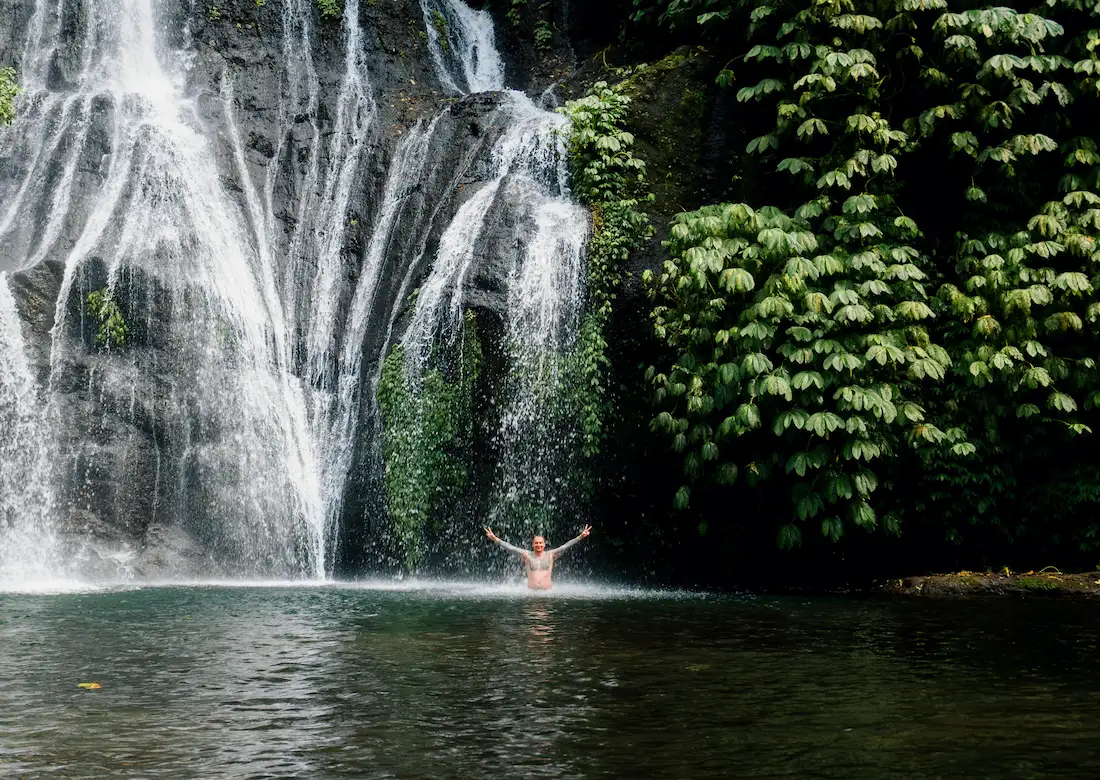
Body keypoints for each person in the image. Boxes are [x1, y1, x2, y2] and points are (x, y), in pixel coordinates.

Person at [484, 525, 592, 590]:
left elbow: (566, 546)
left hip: (547, 594)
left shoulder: (551, 555)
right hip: (531, 593)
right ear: (532, 544)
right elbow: (511, 548)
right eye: (536, 543)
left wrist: (581, 536)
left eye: (540, 543)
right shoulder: (526, 555)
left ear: (544, 544)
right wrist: (495, 539)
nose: (538, 545)